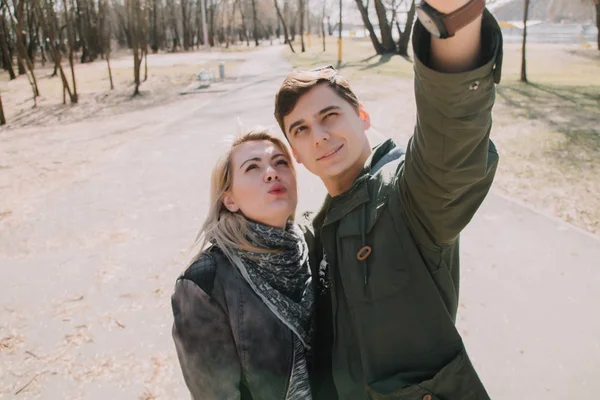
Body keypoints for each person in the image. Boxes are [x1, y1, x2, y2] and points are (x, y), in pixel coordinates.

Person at [273, 0, 503, 399]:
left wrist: (453, 17)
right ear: (295, 151)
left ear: (362, 116)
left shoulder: (407, 195)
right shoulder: (316, 233)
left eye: (330, 116)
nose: (319, 136)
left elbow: (451, 138)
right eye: (301, 129)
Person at [171, 130, 314, 400]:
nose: (272, 173)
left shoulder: (314, 246)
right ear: (230, 200)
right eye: (253, 167)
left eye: (281, 162)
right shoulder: (204, 283)